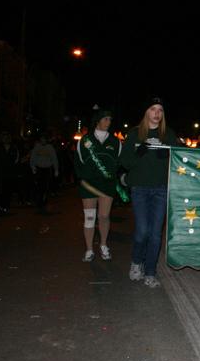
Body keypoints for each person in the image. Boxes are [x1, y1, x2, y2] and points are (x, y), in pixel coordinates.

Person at [120, 97, 177, 288]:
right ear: (146, 112)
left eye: (160, 109)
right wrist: (138, 154)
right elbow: (126, 162)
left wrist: (169, 156)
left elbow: (181, 162)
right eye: (153, 109)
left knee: (155, 234)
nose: (157, 113)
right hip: (140, 188)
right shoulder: (135, 133)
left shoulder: (168, 134)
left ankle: (150, 272)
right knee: (143, 230)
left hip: (161, 188)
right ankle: (136, 262)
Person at [74, 108, 122, 262]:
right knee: (89, 217)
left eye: (110, 119)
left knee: (104, 215)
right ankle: (89, 249)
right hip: (89, 184)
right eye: (105, 119)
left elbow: (119, 161)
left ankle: (103, 244)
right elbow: (78, 162)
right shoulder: (85, 140)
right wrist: (85, 176)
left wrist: (114, 176)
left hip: (107, 184)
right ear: (98, 120)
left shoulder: (115, 141)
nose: (108, 122)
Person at [29, 133, 59, 213]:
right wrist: (32, 166)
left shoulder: (50, 148)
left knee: (44, 185)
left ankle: (42, 203)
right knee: (39, 186)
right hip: (39, 168)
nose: (43, 141)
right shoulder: (37, 147)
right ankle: (41, 202)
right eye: (41, 139)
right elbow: (33, 156)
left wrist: (56, 169)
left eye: (44, 139)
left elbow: (54, 158)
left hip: (47, 169)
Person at [0, 132, 20, 214]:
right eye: (4, 137)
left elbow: (16, 160)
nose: (5, 139)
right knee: (1, 190)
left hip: (10, 173)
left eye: (7, 137)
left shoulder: (13, 149)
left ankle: (6, 206)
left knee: (8, 190)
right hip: (0, 173)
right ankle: (1, 206)